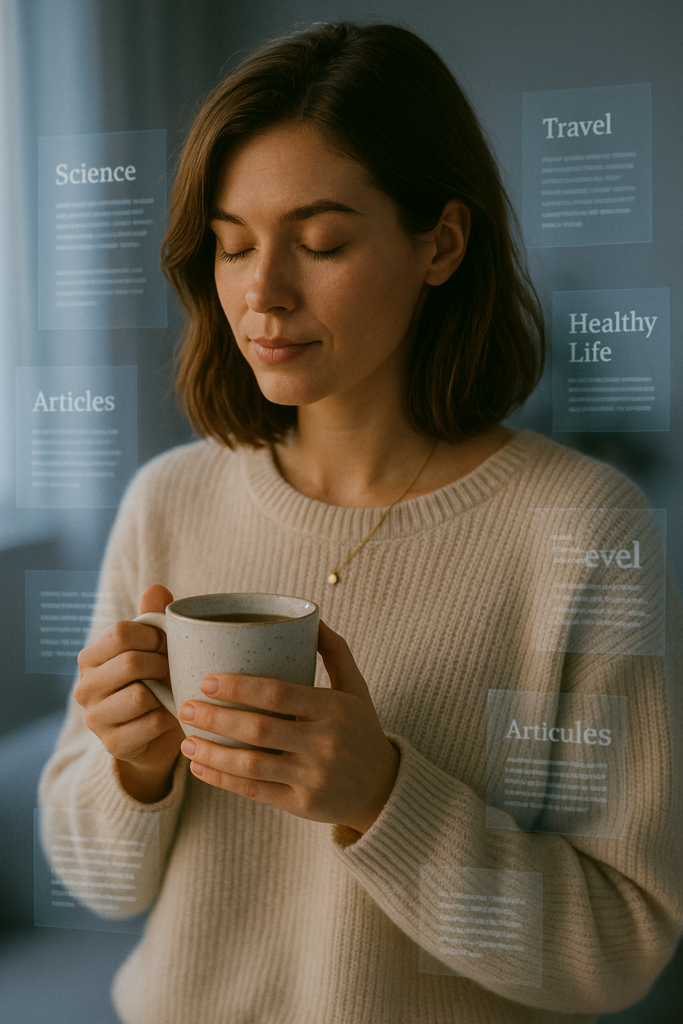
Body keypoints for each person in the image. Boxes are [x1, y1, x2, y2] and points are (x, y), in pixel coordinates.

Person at [39, 21, 683, 1024]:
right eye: (232, 244)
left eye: (320, 242)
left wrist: (383, 796)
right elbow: (97, 883)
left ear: (441, 241)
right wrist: (133, 764)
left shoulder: (580, 527)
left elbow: (616, 948)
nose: (261, 295)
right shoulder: (169, 499)